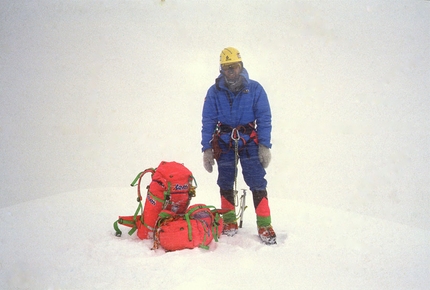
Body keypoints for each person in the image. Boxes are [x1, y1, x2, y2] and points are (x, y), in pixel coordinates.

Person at [201, 47, 276, 245]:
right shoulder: (214, 91)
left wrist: (264, 145)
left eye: (233, 67)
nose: (231, 71)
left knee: (256, 180)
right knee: (225, 180)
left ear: (240, 65)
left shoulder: (255, 89)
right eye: (226, 68)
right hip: (225, 140)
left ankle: (265, 223)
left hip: (249, 140)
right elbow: (208, 120)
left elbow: (264, 118)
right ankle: (229, 221)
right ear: (221, 70)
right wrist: (206, 149)